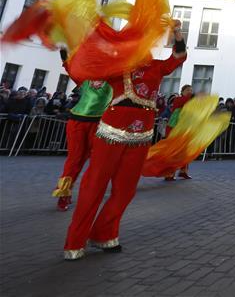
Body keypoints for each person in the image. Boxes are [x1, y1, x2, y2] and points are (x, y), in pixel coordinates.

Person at [63, 20, 186, 260]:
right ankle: (74, 241)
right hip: (111, 132)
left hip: (142, 136)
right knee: (94, 185)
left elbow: (179, 55)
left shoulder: (157, 67)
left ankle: (103, 233)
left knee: (126, 190)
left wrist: (177, 31)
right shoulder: (116, 67)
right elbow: (86, 70)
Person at [52, 76, 113, 211]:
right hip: (76, 122)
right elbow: (70, 65)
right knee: (75, 160)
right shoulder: (85, 80)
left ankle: (91, 193)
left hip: (98, 124)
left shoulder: (114, 81)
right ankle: (63, 193)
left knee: (99, 161)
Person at [163, 84, 194, 181]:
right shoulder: (178, 99)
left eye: (191, 90)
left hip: (184, 128)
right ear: (182, 91)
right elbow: (184, 102)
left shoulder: (189, 101)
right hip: (174, 129)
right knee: (173, 151)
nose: (190, 91)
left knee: (184, 150)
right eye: (188, 90)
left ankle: (183, 171)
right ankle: (169, 174)